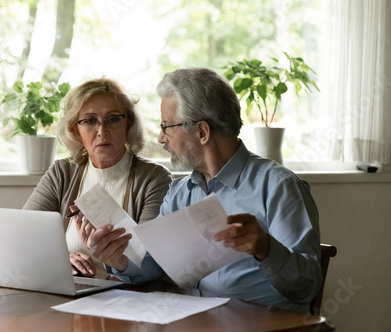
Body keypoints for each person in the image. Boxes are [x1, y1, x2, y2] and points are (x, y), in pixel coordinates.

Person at [83, 68, 322, 313]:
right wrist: (119, 260)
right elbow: (154, 265)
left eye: (167, 127)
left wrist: (265, 248)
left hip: (261, 327)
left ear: (202, 132)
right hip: (189, 322)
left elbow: (307, 288)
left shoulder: (278, 187)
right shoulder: (178, 193)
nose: (162, 139)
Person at [23, 77, 172, 277]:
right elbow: (24, 238)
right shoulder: (61, 172)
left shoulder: (154, 178)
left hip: (126, 297)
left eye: (112, 119)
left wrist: (112, 261)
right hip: (65, 290)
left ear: (128, 123)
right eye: (90, 121)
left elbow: (150, 263)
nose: (102, 131)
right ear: (75, 129)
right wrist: (58, 259)